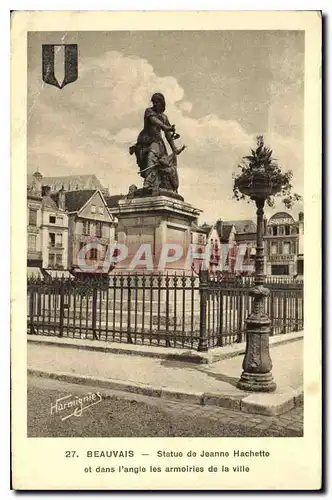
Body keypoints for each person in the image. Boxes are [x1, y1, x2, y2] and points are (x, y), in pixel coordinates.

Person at [129, 93, 185, 192]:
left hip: (157, 141)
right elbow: (155, 122)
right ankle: (148, 183)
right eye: (154, 102)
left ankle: (157, 184)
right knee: (151, 156)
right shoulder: (149, 111)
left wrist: (174, 149)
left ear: (162, 104)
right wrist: (167, 127)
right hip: (146, 139)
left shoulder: (164, 117)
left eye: (158, 102)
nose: (155, 104)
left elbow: (168, 136)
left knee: (160, 161)